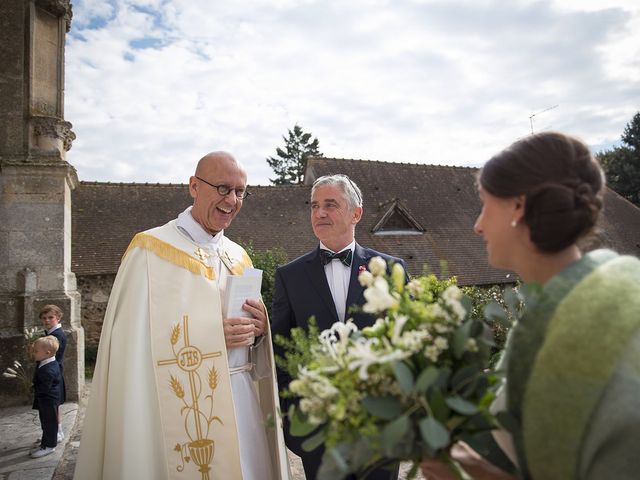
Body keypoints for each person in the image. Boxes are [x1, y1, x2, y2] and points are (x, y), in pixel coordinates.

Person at [421, 132, 640, 479]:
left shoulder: (555, 339)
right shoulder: (619, 292)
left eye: (484, 204)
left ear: (518, 207)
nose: (477, 226)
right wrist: (474, 469)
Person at [75, 152, 289, 480]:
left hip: (242, 403)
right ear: (193, 186)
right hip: (178, 411)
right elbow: (134, 348)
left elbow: (250, 340)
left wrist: (260, 331)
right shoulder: (150, 250)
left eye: (240, 191)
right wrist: (211, 338)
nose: (231, 200)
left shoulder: (238, 255)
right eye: (222, 188)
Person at [272, 174, 406, 480]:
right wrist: (296, 422)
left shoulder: (391, 270)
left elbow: (406, 347)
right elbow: (281, 354)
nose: (319, 213)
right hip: (318, 436)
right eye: (314, 205)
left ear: (355, 213)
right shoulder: (289, 277)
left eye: (330, 204)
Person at [30, 335, 62, 458]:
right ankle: (45, 442)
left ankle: (49, 446)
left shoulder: (49, 369)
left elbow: (44, 388)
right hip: (45, 400)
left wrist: (34, 389)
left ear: (47, 353)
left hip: (48, 400)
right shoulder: (44, 362)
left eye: (36, 351)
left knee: (50, 423)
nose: (33, 353)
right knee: (45, 422)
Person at [39, 304, 66, 442]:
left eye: (51, 317)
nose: (47, 320)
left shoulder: (56, 336)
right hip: (54, 372)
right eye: (44, 318)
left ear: (58, 318)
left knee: (52, 406)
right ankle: (58, 431)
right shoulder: (50, 333)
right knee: (55, 406)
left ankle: (55, 434)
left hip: (53, 374)